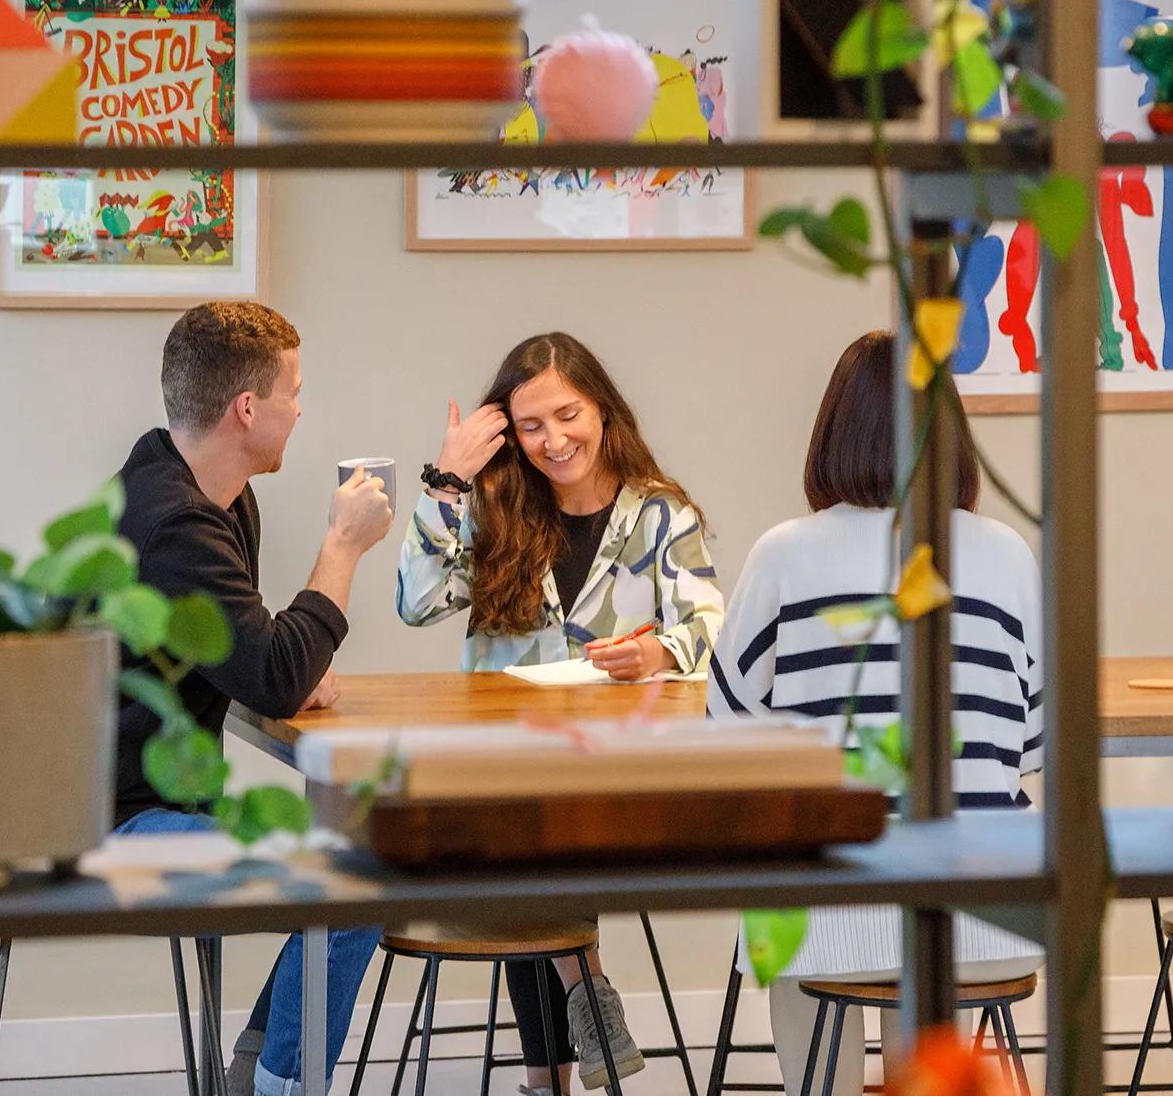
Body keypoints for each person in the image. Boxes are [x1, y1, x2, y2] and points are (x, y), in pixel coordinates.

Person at [705, 330, 1044, 1096]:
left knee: (804, 904)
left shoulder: (784, 554)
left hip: (829, 915)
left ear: (834, 434)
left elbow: (728, 722)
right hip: (989, 918)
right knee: (922, 914)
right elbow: (1028, 742)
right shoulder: (1007, 555)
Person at [398, 331, 725, 1091]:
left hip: (618, 772)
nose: (553, 441)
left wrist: (656, 654)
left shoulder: (660, 518)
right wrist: (445, 481)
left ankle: (548, 1071)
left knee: (537, 825)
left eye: (567, 415)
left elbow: (710, 629)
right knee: (525, 813)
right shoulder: (494, 508)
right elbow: (415, 604)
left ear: (603, 410)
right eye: (531, 427)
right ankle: (584, 1003)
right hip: (506, 770)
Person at [112, 301, 393, 1096]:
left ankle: (259, 1074)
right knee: (357, 875)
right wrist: (342, 547)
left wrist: (289, 663)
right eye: (292, 390)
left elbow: (256, 656)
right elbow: (271, 675)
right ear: (246, 408)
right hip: (118, 821)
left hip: (154, 798)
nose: (300, 408)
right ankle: (279, 1084)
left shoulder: (213, 495)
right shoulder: (174, 521)